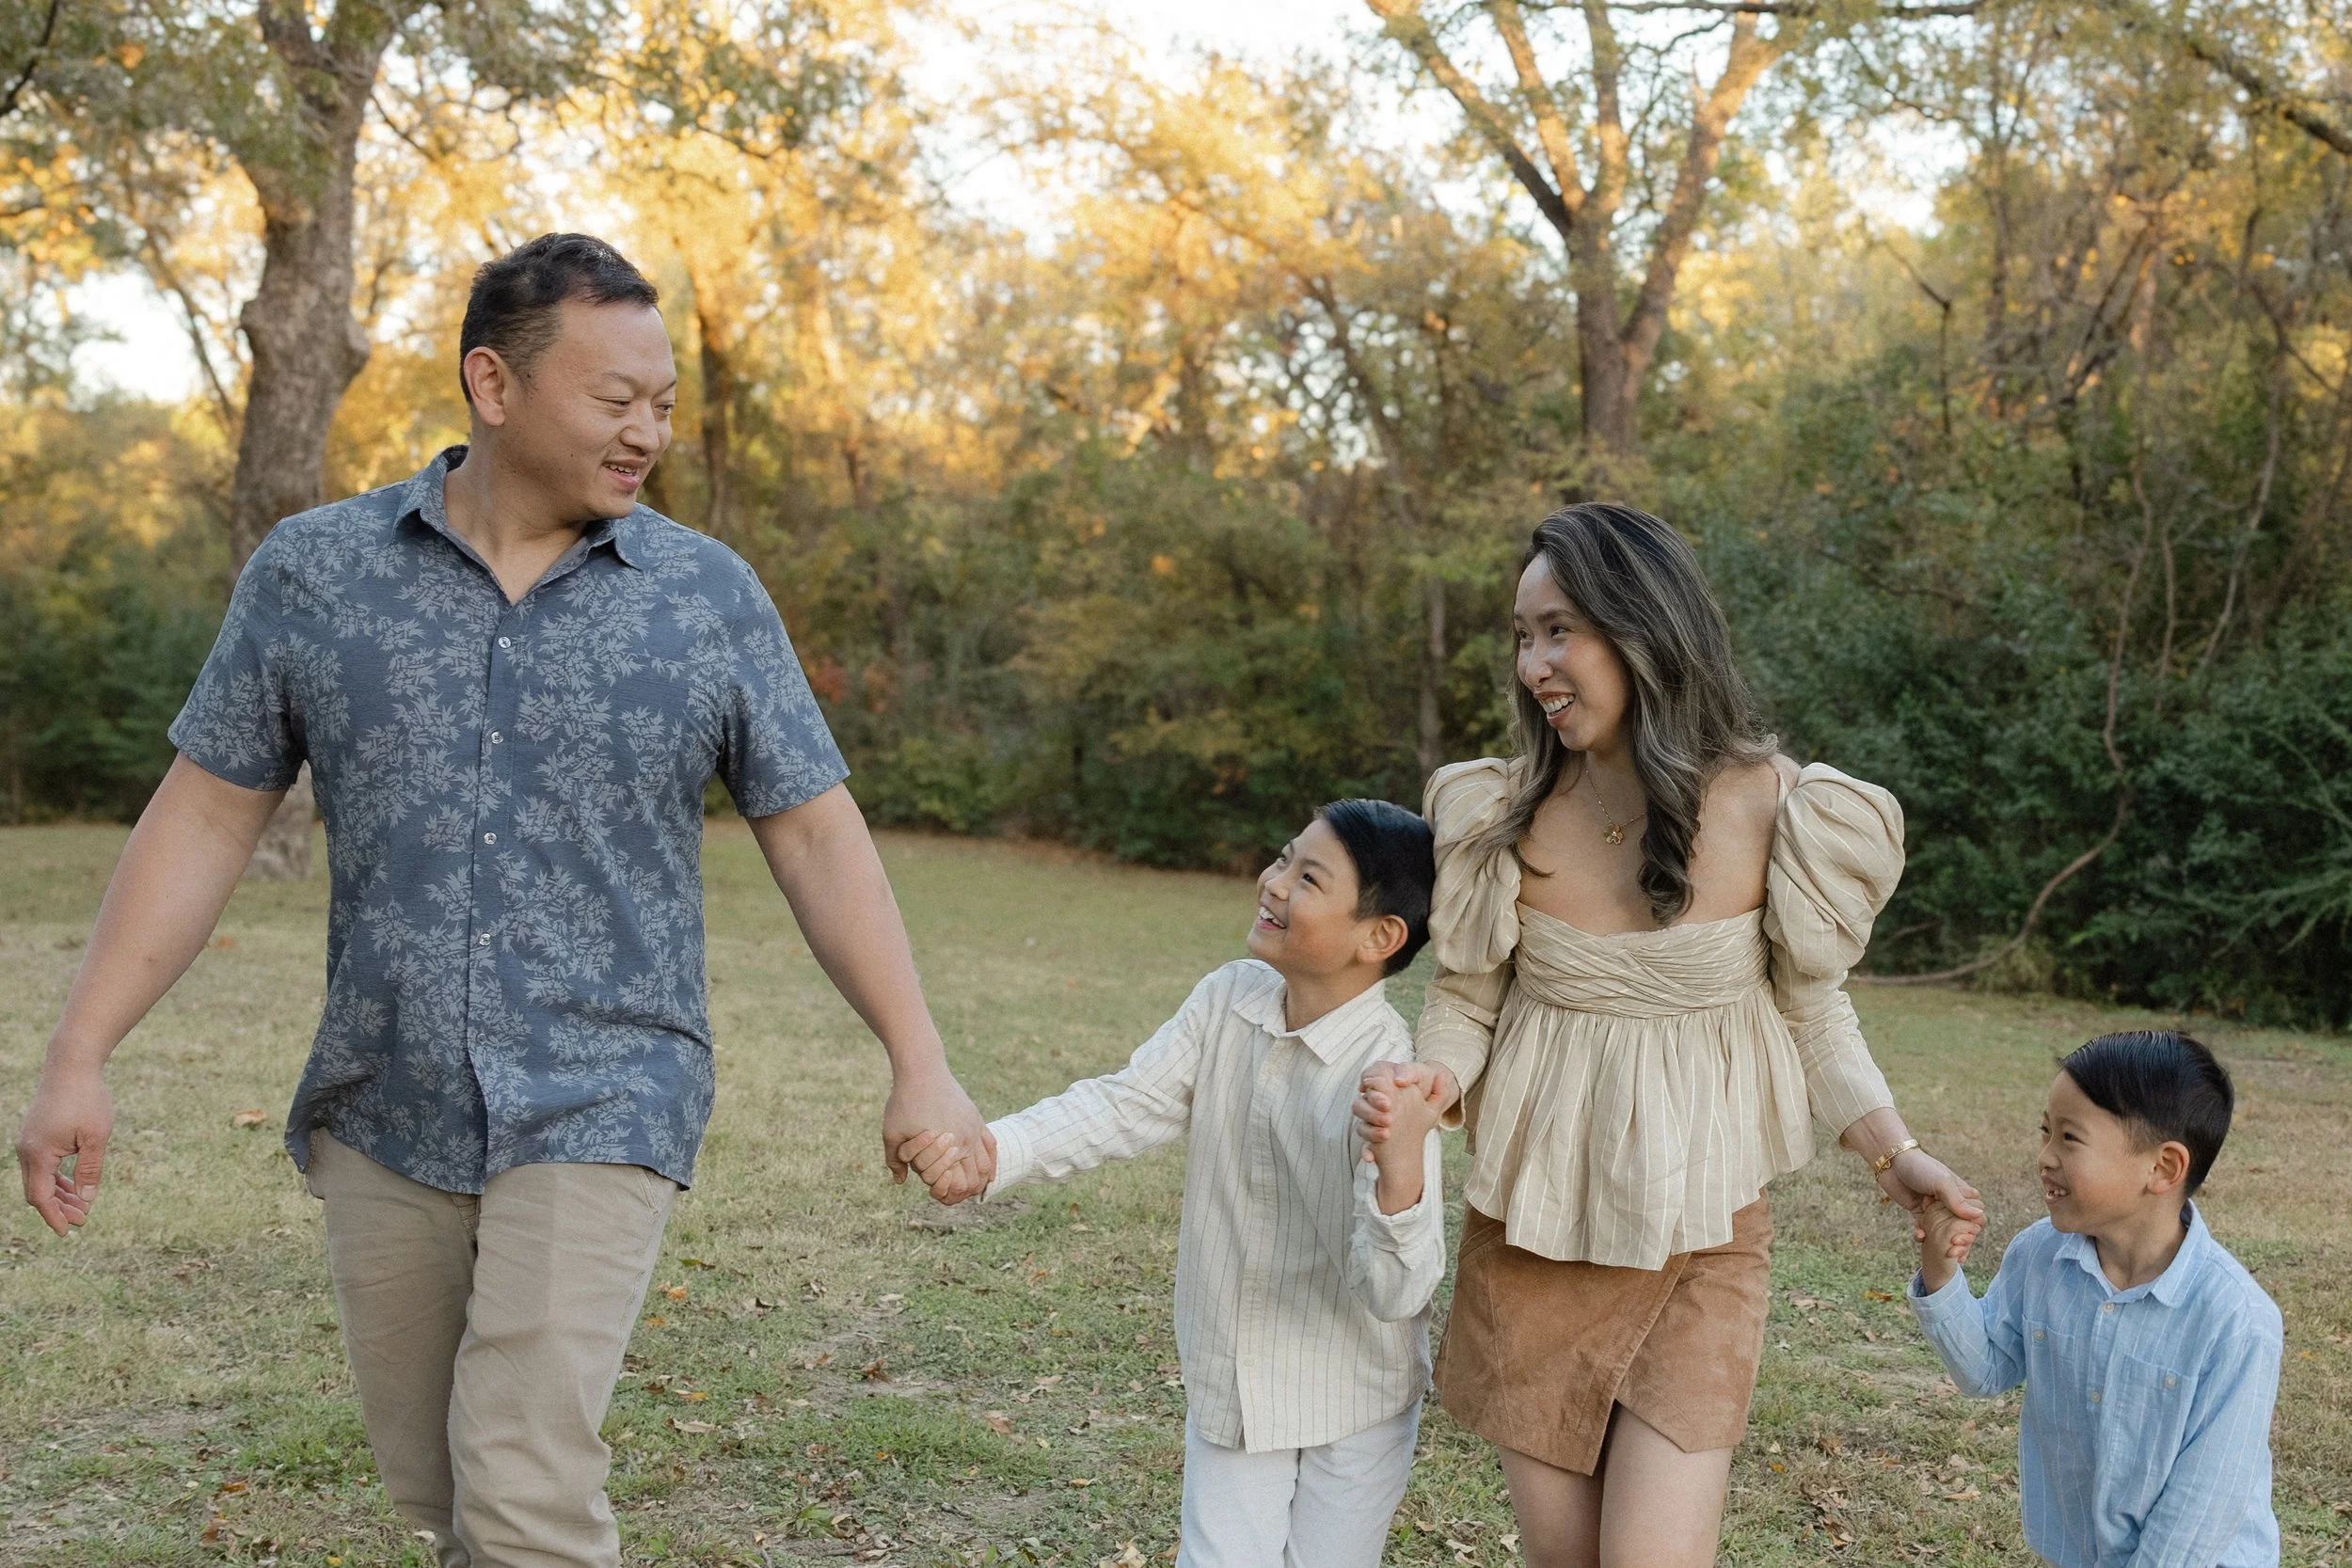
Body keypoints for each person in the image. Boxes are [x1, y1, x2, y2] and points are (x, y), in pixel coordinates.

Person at [11, 232, 994, 1568]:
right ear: (492, 380)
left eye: (660, 400)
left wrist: (918, 1059)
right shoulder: (317, 574)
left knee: (525, 1487)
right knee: (448, 1491)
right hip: (384, 1095)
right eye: (614, 398)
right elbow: (202, 815)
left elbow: (816, 831)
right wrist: (80, 1053)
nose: (648, 428)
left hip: (607, 1087)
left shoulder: (705, 598)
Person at [1352, 502, 1983, 1568]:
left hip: (1703, 1233)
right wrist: (1430, 1083)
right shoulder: (1495, 810)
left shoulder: (1783, 810)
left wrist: (1894, 1149)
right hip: (1535, 1234)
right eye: (1521, 635)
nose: (1533, 664)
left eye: (1559, 629)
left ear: (1643, 625)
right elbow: (1468, 998)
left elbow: (1811, 1005)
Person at [903, 800, 1449, 1568]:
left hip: (1353, 1398)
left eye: (1309, 877)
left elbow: (1397, 1289)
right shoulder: (1229, 998)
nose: (1275, 881)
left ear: (1380, 936)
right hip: (1233, 1376)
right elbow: (1125, 1103)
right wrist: (996, 1151)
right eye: (1285, 856)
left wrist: (1399, 1173)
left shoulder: (1389, 1083)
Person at [1911, 1030, 2282, 1568]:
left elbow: (2202, 1508)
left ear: (2163, 1168)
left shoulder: (2236, 1322)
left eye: (2070, 1138)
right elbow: (1985, 1369)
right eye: (2046, 1132)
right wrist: (1941, 1271)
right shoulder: (2041, 1254)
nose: (2045, 1157)